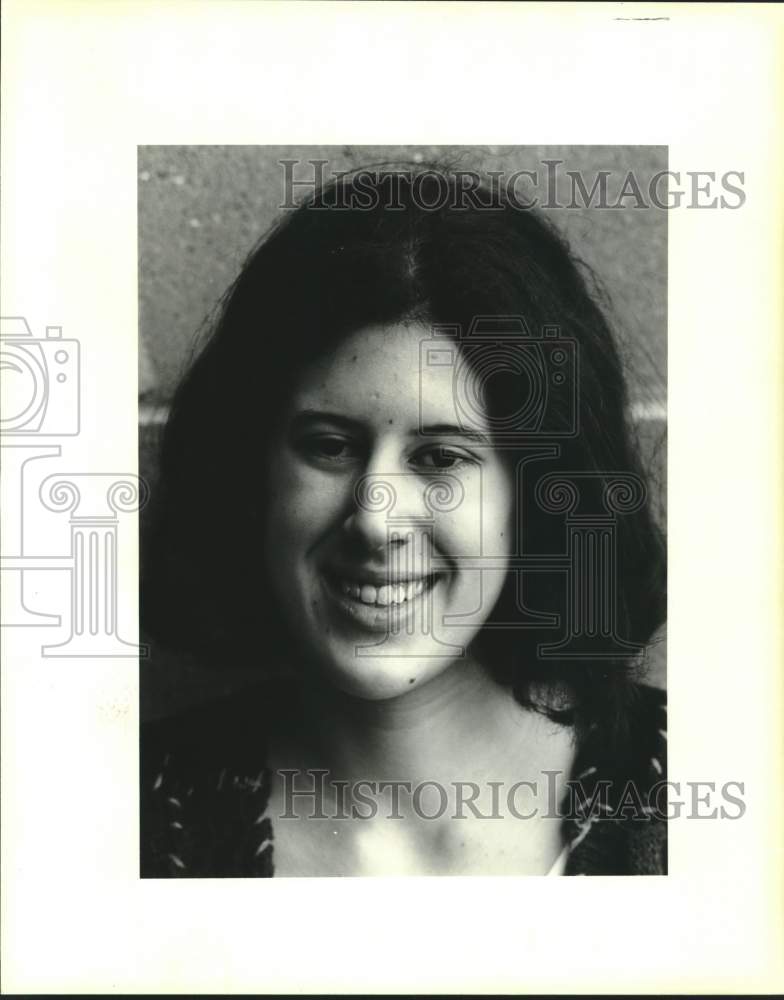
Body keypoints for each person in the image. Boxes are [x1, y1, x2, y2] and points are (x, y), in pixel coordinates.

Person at [140, 163, 667, 877]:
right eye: (329, 446)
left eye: (441, 458)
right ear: (251, 470)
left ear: (540, 491)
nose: (374, 519)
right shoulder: (117, 817)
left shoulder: (708, 789)